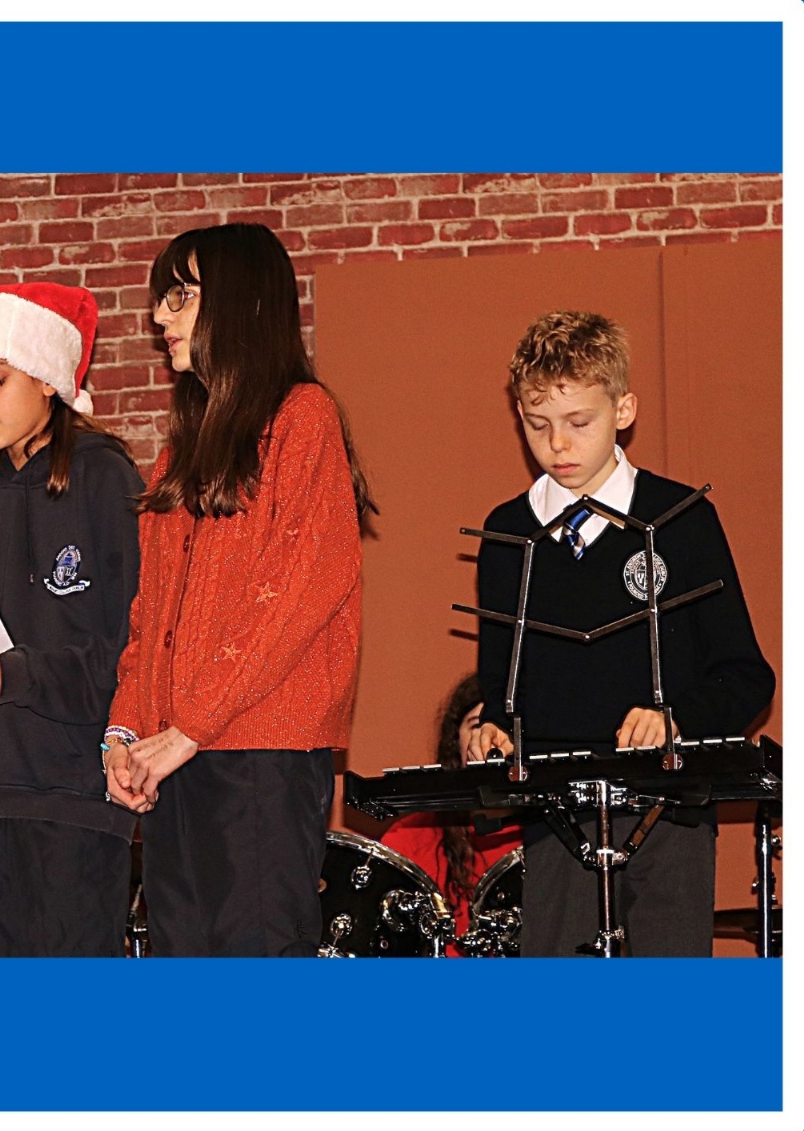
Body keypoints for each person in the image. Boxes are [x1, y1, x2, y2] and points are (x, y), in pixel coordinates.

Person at [101, 222, 372, 957]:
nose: (159, 315)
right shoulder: (178, 455)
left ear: (242, 302)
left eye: (180, 296)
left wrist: (189, 726)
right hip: (178, 753)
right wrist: (125, 733)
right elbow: (150, 617)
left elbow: (297, 593)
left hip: (260, 755)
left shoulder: (303, 417)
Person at [468, 310, 774, 957]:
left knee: (669, 1005)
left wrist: (676, 719)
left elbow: (747, 677)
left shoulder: (682, 519)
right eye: (538, 424)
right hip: (556, 818)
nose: (558, 444)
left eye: (579, 422)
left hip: (671, 813)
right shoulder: (507, 534)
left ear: (624, 409)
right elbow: (501, 686)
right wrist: (491, 728)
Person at [0, 282, 144, 956]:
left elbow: (134, 648)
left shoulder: (106, 481)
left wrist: (19, 675)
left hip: (70, 796)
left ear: (48, 376)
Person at [380, 674, 521, 954]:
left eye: (504, 728)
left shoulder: (552, 837)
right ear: (456, 742)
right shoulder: (409, 837)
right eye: (477, 726)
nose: (489, 740)